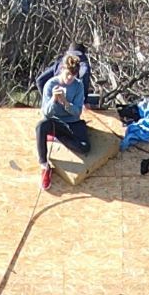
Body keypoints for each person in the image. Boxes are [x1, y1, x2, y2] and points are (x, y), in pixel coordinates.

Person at [35, 46, 93, 189]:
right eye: (67, 75)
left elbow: (77, 112)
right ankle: (44, 165)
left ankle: (58, 136)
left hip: (72, 122)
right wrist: (54, 100)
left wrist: (66, 103)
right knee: (41, 126)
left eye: (72, 76)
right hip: (56, 121)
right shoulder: (51, 84)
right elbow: (47, 113)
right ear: (62, 69)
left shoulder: (78, 86)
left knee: (84, 148)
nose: (69, 79)